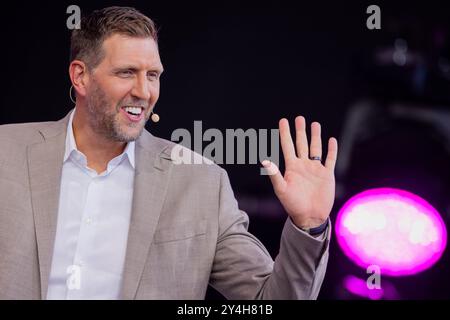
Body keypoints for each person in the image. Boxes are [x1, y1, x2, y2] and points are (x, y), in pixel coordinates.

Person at [0, 6, 338, 300]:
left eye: (153, 75)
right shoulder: (6, 153)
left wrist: (308, 226)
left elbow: (268, 300)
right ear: (80, 76)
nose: (143, 92)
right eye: (126, 73)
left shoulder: (201, 184)